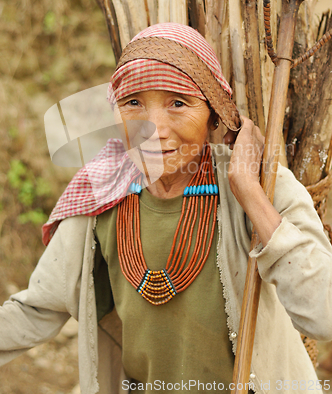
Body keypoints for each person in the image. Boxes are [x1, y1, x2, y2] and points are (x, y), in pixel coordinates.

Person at [1, 22, 332, 394]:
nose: (153, 129)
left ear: (212, 112)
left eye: (178, 103)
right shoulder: (102, 192)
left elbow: (324, 311)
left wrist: (250, 195)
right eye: (133, 103)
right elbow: (35, 310)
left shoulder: (260, 184)